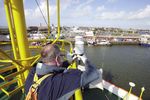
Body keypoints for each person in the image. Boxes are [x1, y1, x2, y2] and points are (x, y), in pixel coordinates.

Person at [25, 44, 100, 100]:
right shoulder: (61, 80)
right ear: (57, 59)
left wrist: (68, 62)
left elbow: (52, 68)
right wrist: (84, 58)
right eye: (61, 56)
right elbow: (93, 73)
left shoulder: (33, 71)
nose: (62, 58)